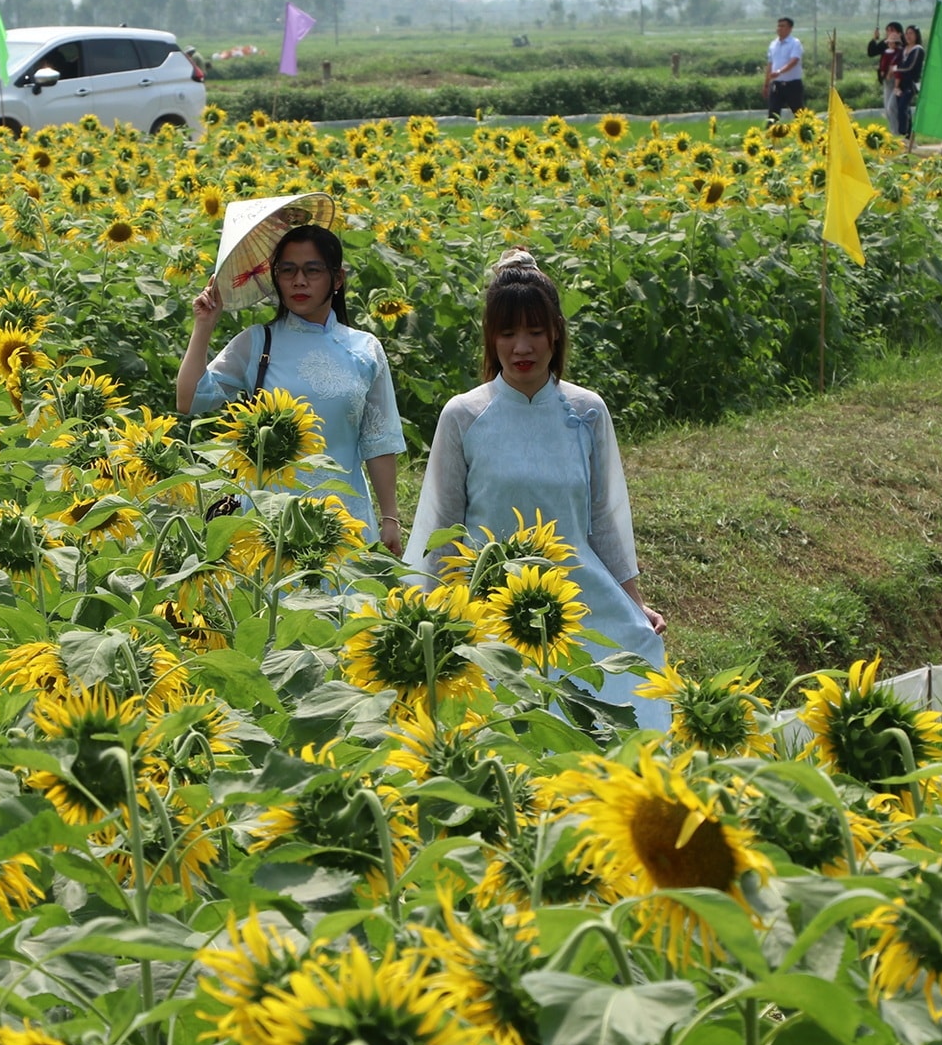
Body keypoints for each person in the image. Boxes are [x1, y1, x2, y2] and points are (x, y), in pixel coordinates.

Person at [406, 249, 669, 726]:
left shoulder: (587, 412)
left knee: (596, 731)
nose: (521, 347)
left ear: (556, 334)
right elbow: (442, 525)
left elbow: (605, 520)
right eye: (507, 333)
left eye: (533, 331)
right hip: (489, 606)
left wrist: (635, 605)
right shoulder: (463, 415)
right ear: (491, 339)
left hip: (576, 603)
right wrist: (432, 613)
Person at [177, 224, 406, 554]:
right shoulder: (258, 342)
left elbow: (378, 440)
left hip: (341, 519)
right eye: (287, 271)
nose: (299, 281)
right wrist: (203, 327)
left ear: (337, 279)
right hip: (266, 523)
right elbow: (190, 399)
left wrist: (390, 518)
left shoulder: (364, 350)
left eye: (312, 270)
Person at [764, 17, 805, 122]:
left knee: (799, 113)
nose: (780, 28)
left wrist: (779, 72)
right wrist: (766, 84)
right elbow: (770, 64)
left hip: (792, 84)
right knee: (772, 113)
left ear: (790, 28)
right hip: (776, 85)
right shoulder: (773, 44)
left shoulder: (795, 43)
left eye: (783, 26)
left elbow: (794, 61)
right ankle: (771, 135)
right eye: (779, 26)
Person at [866, 22, 905, 131]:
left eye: (891, 30)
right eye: (887, 31)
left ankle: (900, 133)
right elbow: (871, 52)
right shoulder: (885, 44)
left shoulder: (903, 47)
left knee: (893, 107)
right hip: (887, 81)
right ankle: (894, 131)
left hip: (899, 81)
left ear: (899, 33)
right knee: (888, 108)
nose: (889, 33)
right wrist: (874, 39)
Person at [893, 24, 925, 141]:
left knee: (903, 107)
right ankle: (908, 137)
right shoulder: (903, 50)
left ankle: (902, 133)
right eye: (907, 33)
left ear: (916, 35)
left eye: (911, 33)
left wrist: (896, 69)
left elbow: (909, 67)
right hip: (900, 84)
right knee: (904, 109)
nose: (908, 36)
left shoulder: (918, 50)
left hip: (911, 84)